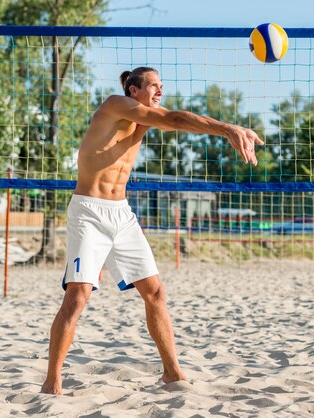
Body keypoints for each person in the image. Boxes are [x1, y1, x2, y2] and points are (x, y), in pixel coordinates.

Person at [41, 67, 263, 395]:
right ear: (134, 90)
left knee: (155, 292)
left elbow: (177, 120)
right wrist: (227, 128)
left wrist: (221, 128)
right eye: (153, 86)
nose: (160, 91)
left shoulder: (146, 117)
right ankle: (52, 382)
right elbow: (175, 119)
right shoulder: (115, 105)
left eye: (161, 86)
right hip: (88, 211)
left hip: (121, 214)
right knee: (77, 298)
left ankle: (172, 373)